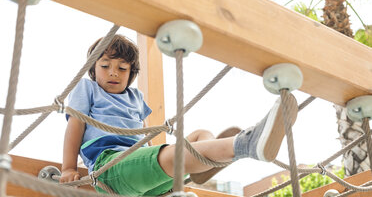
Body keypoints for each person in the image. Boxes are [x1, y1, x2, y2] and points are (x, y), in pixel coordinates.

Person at [60, 34, 297, 196]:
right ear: (93, 69)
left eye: (122, 68)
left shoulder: (136, 97)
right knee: (172, 154)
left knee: (199, 134)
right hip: (111, 168)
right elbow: (75, 126)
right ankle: (245, 144)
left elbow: (145, 136)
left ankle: (206, 161)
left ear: (131, 73)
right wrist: (68, 167)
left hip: (145, 176)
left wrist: (152, 153)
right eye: (105, 66)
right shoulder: (87, 88)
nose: (113, 73)